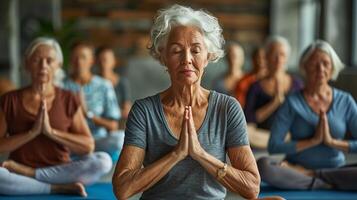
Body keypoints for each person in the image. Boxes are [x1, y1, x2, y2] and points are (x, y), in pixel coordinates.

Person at [112, 5, 260, 200]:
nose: (187, 59)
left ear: (208, 56)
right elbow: (123, 189)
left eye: (196, 50)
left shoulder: (227, 108)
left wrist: (200, 154)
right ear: (163, 57)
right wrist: (176, 154)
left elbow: (251, 187)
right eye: (176, 51)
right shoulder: (144, 111)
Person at [0, 37, 112, 196]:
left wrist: (50, 132)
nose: (43, 66)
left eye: (49, 61)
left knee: (103, 161)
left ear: (58, 65)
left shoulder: (68, 98)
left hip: (59, 171)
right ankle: (56, 188)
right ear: (26, 64)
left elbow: (88, 145)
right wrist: (32, 133)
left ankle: (32, 176)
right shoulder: (9, 100)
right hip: (18, 170)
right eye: (37, 60)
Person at [258, 40, 357, 190]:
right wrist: (313, 141)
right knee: (263, 166)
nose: (320, 69)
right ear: (304, 67)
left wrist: (331, 142)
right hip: (295, 169)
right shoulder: (292, 102)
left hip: (335, 170)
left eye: (325, 63)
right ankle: (326, 182)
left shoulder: (345, 100)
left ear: (332, 68)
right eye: (314, 64)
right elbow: (274, 146)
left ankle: (311, 176)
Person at [63, 41, 123, 160]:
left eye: (83, 57)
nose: (79, 61)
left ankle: (86, 157)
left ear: (92, 61)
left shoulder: (104, 85)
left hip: (97, 140)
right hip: (72, 141)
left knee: (121, 137)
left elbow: (113, 126)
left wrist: (88, 114)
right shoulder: (61, 87)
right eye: (75, 57)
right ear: (70, 60)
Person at [244, 36, 303, 149]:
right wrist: (274, 103)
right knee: (245, 132)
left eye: (282, 55)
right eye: (274, 54)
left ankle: (277, 142)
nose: (278, 59)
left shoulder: (297, 84)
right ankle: (277, 143)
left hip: (288, 134)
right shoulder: (255, 86)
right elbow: (249, 118)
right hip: (261, 135)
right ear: (266, 56)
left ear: (287, 58)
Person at [96, 46, 132, 120]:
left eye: (107, 59)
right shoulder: (93, 82)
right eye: (100, 59)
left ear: (114, 61)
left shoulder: (122, 82)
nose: (103, 63)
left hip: (116, 124)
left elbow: (127, 111)